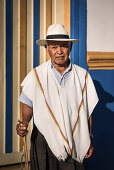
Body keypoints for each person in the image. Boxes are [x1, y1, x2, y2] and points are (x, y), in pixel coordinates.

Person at [16, 24, 99, 170]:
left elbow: (87, 111)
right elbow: (28, 104)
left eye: (63, 46)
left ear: (70, 47)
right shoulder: (36, 75)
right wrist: (23, 124)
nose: (59, 51)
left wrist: (89, 139)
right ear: (47, 49)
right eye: (54, 47)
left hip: (75, 138)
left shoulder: (82, 76)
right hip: (44, 138)